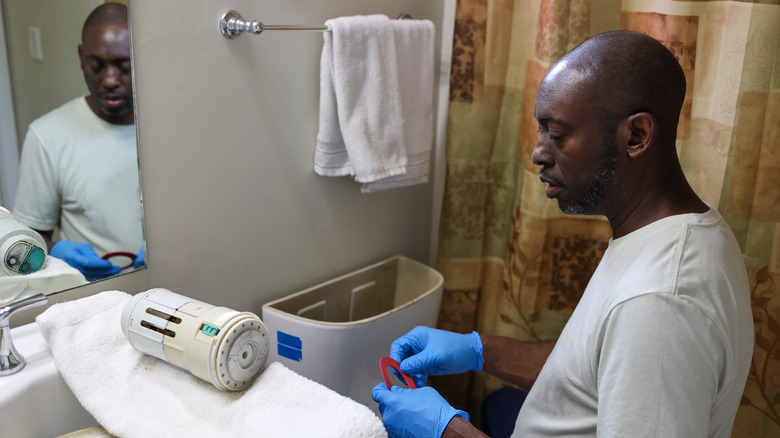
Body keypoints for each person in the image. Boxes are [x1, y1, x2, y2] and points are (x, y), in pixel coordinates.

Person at [372, 30, 754, 438]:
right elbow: (594, 370)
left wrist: (447, 431)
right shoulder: (680, 228)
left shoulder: (659, 303)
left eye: (556, 133)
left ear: (636, 136)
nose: (538, 152)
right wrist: (478, 350)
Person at [12, 3, 143, 281]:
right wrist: (55, 251)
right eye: (97, 65)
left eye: (124, 66)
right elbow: (25, 244)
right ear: (82, 57)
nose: (110, 80)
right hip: (93, 297)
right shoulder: (47, 136)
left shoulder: (172, 130)